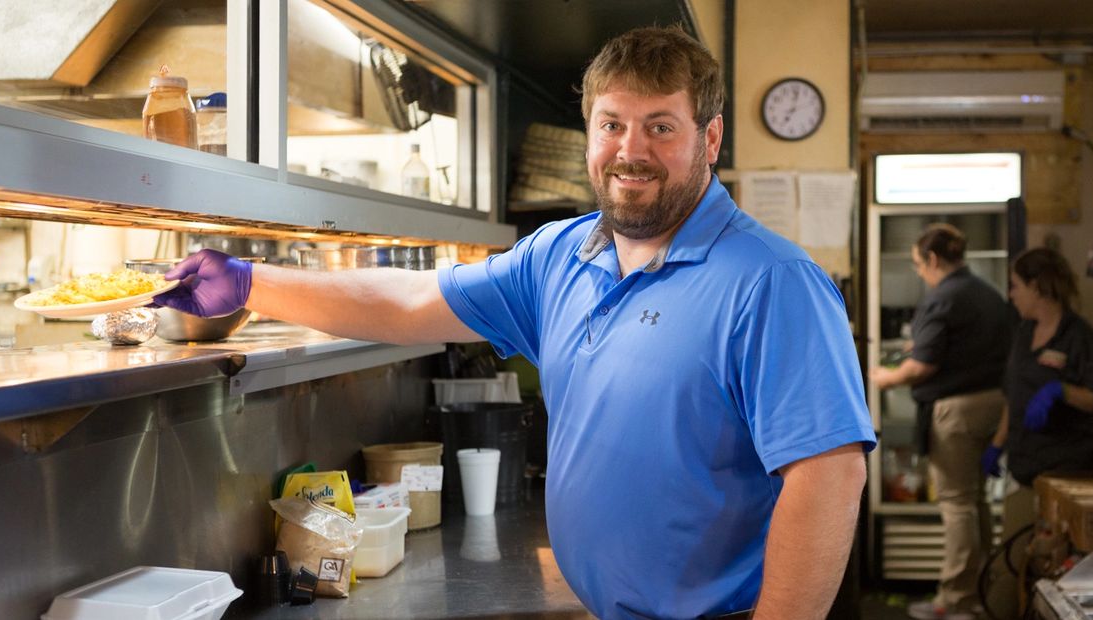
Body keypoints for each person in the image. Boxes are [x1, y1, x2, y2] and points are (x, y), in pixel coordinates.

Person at [155, 26, 874, 619]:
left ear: (710, 139)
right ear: (589, 132)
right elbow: (409, 304)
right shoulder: (558, 257)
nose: (631, 151)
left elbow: (829, 476)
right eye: (612, 125)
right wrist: (253, 284)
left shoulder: (771, 282)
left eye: (661, 127)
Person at [869, 223, 1012, 620]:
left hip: (956, 411)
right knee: (976, 500)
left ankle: (955, 599)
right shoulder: (986, 292)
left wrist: (884, 377)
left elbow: (921, 366)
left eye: (918, 264)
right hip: (992, 403)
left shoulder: (943, 298)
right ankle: (982, 591)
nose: (919, 272)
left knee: (957, 504)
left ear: (932, 259)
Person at [979, 247, 1093, 618]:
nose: (1011, 293)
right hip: (1025, 472)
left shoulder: (1081, 338)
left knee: (1048, 574)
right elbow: (1014, 396)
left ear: (1037, 287)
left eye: (1016, 285)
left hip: (1064, 478)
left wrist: (1061, 391)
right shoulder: (1024, 333)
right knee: (1008, 568)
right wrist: (997, 444)